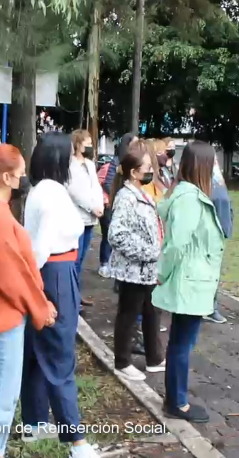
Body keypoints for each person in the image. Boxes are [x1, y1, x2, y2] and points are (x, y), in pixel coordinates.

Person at [22, 132, 109, 458]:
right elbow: (40, 249)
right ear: (59, 160)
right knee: (59, 356)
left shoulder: (41, 190)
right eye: (71, 157)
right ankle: (77, 443)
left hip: (57, 271)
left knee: (36, 352)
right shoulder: (53, 194)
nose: (77, 161)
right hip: (55, 273)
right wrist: (39, 290)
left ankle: (34, 421)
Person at [0, 144, 56, 458]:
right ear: (6, 177)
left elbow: (16, 268)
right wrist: (39, 307)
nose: (23, 178)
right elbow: (12, 275)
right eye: (19, 173)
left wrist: (38, 302)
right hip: (1, 320)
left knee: (5, 399)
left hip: (6, 318)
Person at [152, 140, 225, 423]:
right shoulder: (190, 199)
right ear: (203, 166)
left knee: (180, 342)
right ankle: (177, 402)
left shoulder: (187, 194)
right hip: (188, 281)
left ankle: (174, 397)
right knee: (182, 344)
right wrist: (162, 273)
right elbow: (176, 244)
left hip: (191, 280)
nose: (217, 168)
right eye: (214, 162)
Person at [106, 139, 165, 382]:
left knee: (152, 312)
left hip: (147, 270)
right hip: (133, 270)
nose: (151, 171)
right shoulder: (126, 197)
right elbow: (116, 234)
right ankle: (122, 361)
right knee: (128, 315)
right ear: (133, 172)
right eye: (147, 168)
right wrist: (149, 251)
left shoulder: (140, 193)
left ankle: (154, 358)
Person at [65, 129, 105, 308]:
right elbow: (75, 192)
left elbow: (96, 187)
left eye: (90, 143)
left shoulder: (89, 164)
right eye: (86, 143)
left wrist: (100, 205)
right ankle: (70, 297)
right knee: (74, 258)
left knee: (81, 259)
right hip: (77, 217)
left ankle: (76, 293)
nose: (89, 146)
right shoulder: (70, 166)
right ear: (76, 144)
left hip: (90, 219)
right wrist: (92, 206)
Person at [97, 133, 134, 277]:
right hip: (110, 205)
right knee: (108, 235)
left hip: (116, 203)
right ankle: (104, 263)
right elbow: (108, 183)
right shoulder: (115, 163)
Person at [204, 154, 234, 325]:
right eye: (212, 158)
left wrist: (229, 222)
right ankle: (207, 307)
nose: (216, 162)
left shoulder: (218, 179)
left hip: (220, 233)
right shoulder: (202, 180)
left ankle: (211, 307)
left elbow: (226, 202)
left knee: (214, 272)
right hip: (208, 233)